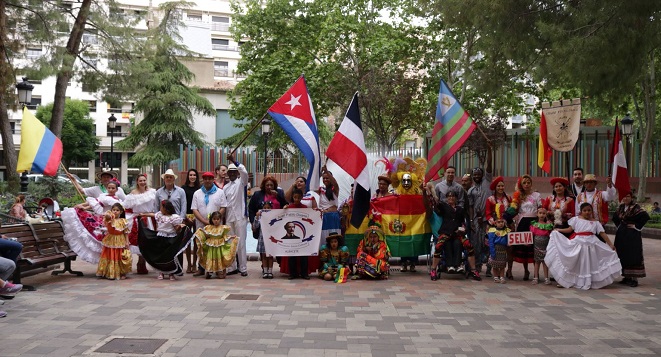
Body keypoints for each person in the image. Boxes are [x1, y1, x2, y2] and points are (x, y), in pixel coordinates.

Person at [545, 203, 621, 290]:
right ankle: (566, 281)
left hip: (591, 245)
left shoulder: (595, 222)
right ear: (581, 212)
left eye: (589, 210)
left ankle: (591, 280)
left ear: (592, 211)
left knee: (589, 264)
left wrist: (610, 244)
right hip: (578, 243)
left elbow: (602, 233)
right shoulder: (576, 219)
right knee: (576, 263)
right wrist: (559, 230)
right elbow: (569, 230)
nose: (587, 212)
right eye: (584, 211)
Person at [429, 191, 481, 281]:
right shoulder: (444, 207)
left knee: (469, 246)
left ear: (456, 198)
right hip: (446, 232)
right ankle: (433, 269)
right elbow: (436, 202)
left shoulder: (460, 209)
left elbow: (463, 222)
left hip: (457, 234)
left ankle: (473, 270)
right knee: (438, 246)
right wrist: (430, 192)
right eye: (449, 196)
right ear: (446, 198)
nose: (451, 198)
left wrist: (463, 229)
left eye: (453, 196)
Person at [191, 171, 228, 277]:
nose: (207, 181)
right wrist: (204, 221)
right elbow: (194, 209)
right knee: (201, 246)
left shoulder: (220, 192)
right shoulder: (197, 193)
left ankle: (216, 268)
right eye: (205, 179)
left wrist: (214, 220)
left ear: (213, 180)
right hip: (201, 224)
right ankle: (201, 268)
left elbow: (223, 207)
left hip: (215, 226)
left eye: (210, 179)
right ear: (203, 180)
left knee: (216, 247)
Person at [249, 176, 288, 276]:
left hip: (276, 226)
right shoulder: (257, 195)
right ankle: (265, 267)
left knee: (275, 247)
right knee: (263, 249)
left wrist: (279, 197)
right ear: (264, 186)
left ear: (274, 185)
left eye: (271, 185)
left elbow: (286, 205)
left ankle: (272, 268)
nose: (269, 187)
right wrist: (253, 222)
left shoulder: (279, 194)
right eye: (267, 185)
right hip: (263, 226)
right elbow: (251, 209)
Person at [505, 175, 541, 281]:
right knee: (522, 248)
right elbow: (513, 210)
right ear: (521, 184)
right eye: (524, 183)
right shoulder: (518, 196)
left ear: (531, 184)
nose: (526, 185)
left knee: (534, 248)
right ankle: (525, 270)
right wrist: (506, 217)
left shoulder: (537, 195)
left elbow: (540, 208)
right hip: (522, 223)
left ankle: (536, 273)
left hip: (534, 223)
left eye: (528, 182)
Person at [140, 200, 185, 280]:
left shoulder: (174, 217)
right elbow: (152, 215)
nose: (160, 208)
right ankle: (161, 272)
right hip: (161, 237)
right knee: (161, 255)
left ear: (166, 209)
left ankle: (171, 273)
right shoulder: (159, 215)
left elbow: (176, 229)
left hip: (170, 238)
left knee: (170, 256)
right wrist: (143, 214)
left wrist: (180, 227)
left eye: (161, 207)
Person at [612, 192, 650, 287]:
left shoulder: (636, 207)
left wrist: (636, 226)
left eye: (628, 196)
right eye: (624, 196)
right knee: (622, 253)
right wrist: (620, 226)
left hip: (632, 235)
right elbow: (615, 218)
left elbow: (645, 216)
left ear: (631, 197)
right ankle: (626, 276)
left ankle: (634, 278)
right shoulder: (620, 208)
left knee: (633, 254)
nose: (625, 198)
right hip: (621, 235)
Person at [467, 148, 493, 276]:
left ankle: (489, 267)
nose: (477, 176)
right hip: (476, 220)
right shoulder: (471, 190)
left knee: (488, 243)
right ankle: (477, 267)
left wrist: (489, 150)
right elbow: (470, 207)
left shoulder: (487, 182)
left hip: (488, 219)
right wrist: (471, 220)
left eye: (478, 174)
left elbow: (489, 165)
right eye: (474, 174)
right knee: (476, 244)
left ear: (482, 175)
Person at [123, 173, 156, 275]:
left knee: (148, 241)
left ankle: (143, 262)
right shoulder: (133, 194)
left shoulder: (152, 192)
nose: (142, 182)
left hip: (150, 218)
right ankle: (140, 263)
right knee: (138, 241)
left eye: (144, 180)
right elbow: (127, 207)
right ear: (137, 182)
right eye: (140, 180)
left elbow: (156, 205)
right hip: (138, 219)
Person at [223, 155, 250, 277]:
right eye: (230, 172)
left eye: (234, 171)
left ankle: (243, 268)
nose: (232, 174)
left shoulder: (241, 183)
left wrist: (234, 161)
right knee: (230, 243)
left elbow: (244, 171)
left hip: (240, 217)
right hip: (229, 218)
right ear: (228, 173)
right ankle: (232, 267)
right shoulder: (225, 187)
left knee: (241, 243)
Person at [195, 211, 238, 279]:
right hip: (211, 247)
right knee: (210, 258)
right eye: (214, 219)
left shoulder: (223, 228)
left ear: (220, 219)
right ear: (211, 219)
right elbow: (206, 235)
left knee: (221, 259)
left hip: (219, 247)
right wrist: (201, 232)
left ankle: (222, 272)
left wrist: (232, 237)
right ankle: (209, 271)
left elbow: (225, 236)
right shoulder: (209, 227)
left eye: (218, 219)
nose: (216, 221)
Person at [96, 203, 132, 280]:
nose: (115, 212)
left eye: (117, 210)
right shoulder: (109, 219)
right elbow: (107, 217)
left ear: (121, 212)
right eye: (114, 210)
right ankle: (109, 272)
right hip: (110, 239)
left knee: (120, 256)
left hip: (120, 240)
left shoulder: (123, 221)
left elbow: (126, 232)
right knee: (110, 255)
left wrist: (127, 242)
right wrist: (108, 215)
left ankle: (122, 272)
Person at [181, 169, 201, 274]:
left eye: (194, 175)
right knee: (187, 242)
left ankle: (195, 264)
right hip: (186, 216)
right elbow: (182, 203)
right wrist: (184, 217)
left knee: (196, 241)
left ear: (196, 176)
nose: (192, 177)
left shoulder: (199, 188)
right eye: (190, 175)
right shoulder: (183, 189)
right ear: (188, 176)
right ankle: (188, 264)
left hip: (197, 216)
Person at [530, 207, 553, 285]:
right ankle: (535, 277)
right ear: (537, 214)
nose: (542, 215)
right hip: (537, 246)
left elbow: (551, 235)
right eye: (540, 213)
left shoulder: (548, 225)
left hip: (545, 246)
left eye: (543, 213)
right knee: (537, 262)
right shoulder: (534, 225)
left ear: (546, 214)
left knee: (545, 262)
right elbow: (530, 235)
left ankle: (546, 278)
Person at [253, 201, 274, 279]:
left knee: (270, 256)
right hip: (262, 238)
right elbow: (255, 226)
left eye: (268, 208)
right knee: (264, 256)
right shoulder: (260, 217)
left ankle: (270, 271)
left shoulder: (274, 217)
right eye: (264, 208)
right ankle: (265, 271)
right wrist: (257, 217)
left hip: (271, 239)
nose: (266, 209)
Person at [487, 215, 510, 284]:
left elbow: (509, 240)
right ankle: (496, 277)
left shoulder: (506, 231)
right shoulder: (492, 231)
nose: (501, 223)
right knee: (495, 265)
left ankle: (502, 277)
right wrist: (492, 252)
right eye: (499, 222)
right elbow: (491, 242)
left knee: (502, 264)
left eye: (502, 222)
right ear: (495, 223)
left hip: (503, 250)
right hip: (495, 249)